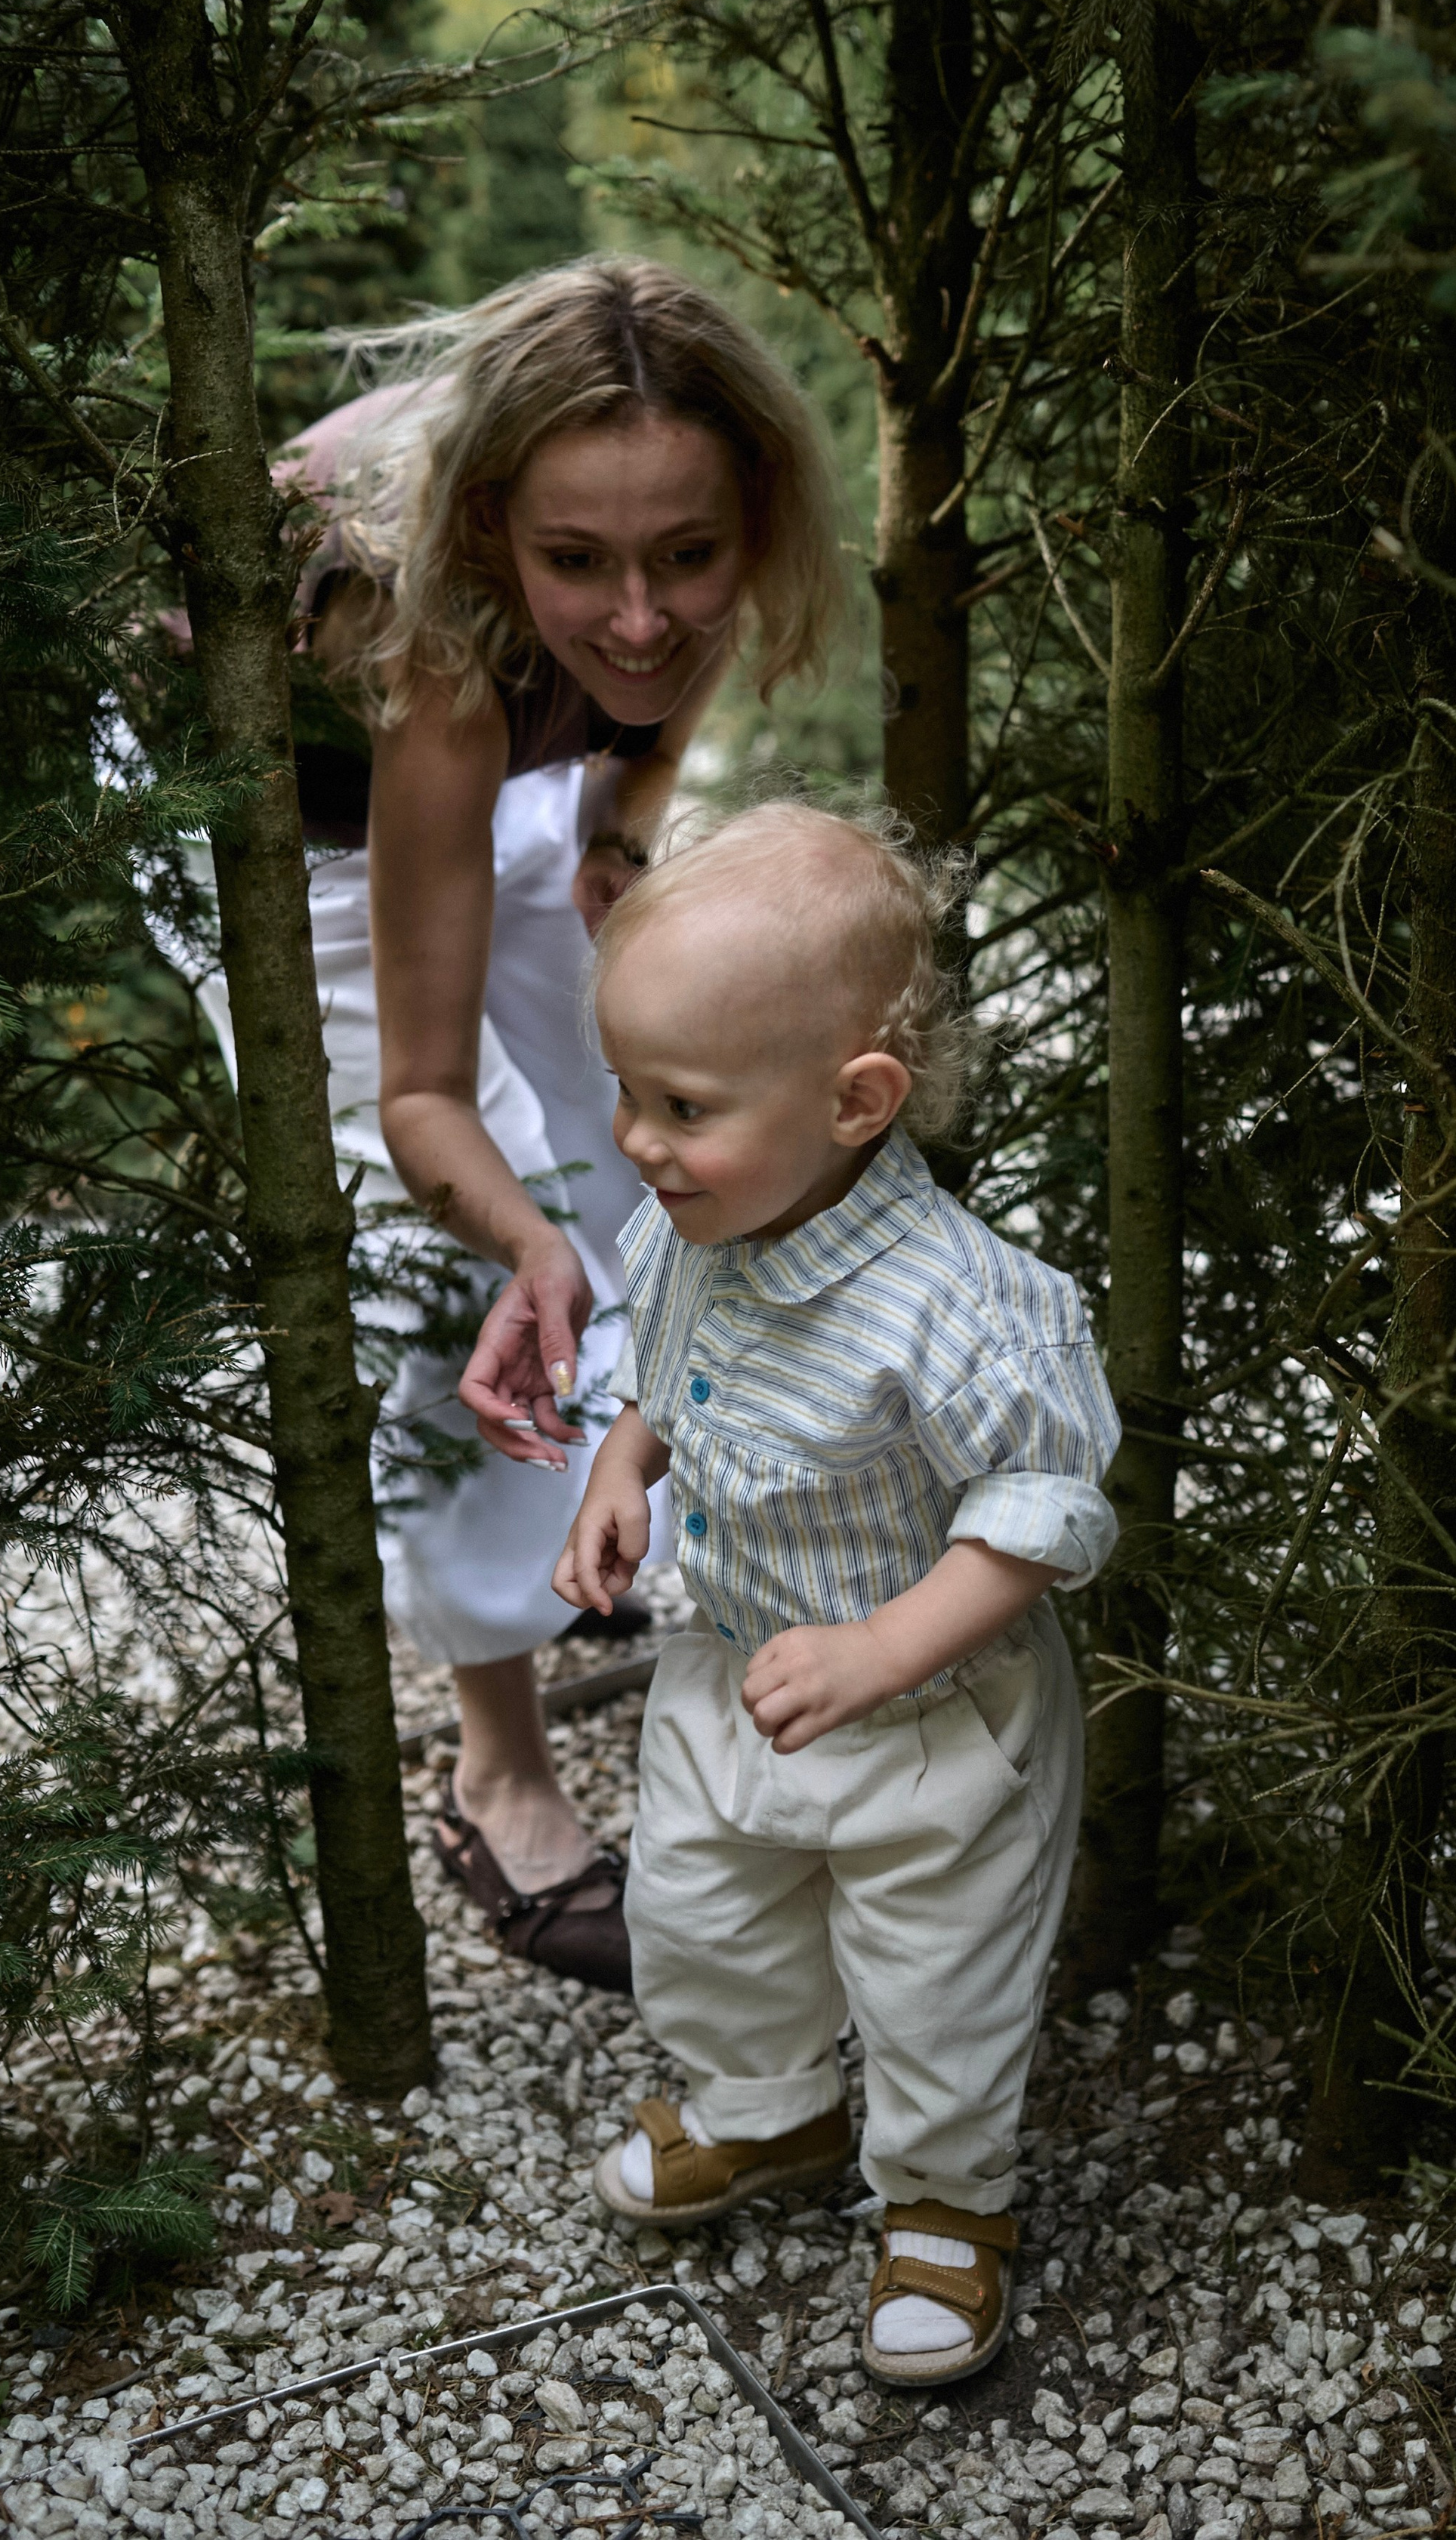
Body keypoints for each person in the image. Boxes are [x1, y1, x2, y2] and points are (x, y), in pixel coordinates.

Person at [199, 260, 850, 1993]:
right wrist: (519, 1236)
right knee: (446, 1257)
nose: (642, 617)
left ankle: (605, 1515)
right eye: (582, 563)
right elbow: (417, 1089)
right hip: (298, 815)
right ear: (496, 522)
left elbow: (653, 669)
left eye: (686, 558)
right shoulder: (413, 635)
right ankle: (496, 1766)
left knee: (627, 1103)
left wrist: (624, 812)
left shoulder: (673, 542)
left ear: (744, 509)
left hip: (497, 755)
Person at [551, 801, 1120, 2384]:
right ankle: (769, 2108)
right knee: (702, 1914)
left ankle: (944, 2202)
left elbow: (1040, 1512)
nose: (634, 1137)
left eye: (679, 1102)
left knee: (937, 1971)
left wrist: (884, 1646)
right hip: (731, 1679)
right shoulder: (695, 1227)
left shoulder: (963, 1306)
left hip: (931, 1714)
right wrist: (622, 1468)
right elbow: (669, 1377)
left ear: (856, 1100)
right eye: (623, 1090)